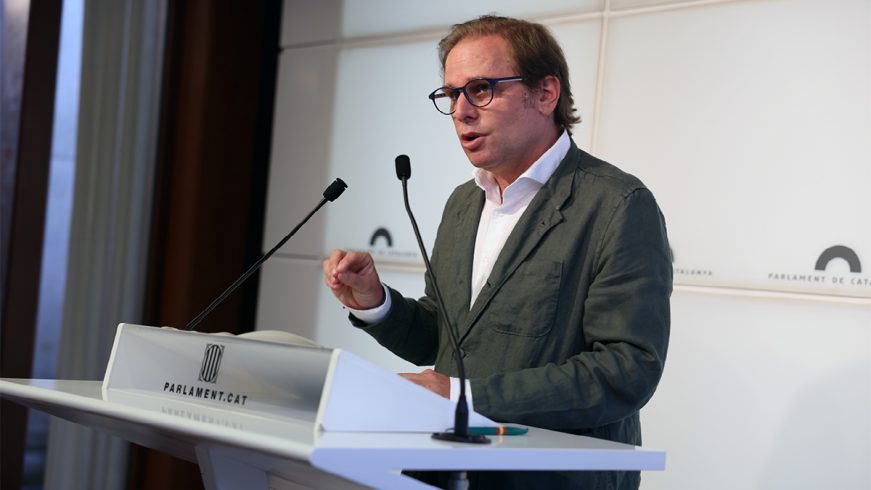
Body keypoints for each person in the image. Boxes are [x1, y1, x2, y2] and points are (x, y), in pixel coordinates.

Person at [323, 15, 671, 490]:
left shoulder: (617, 204)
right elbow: (447, 340)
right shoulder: (464, 203)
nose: (462, 111)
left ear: (546, 93)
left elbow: (625, 370)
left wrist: (462, 396)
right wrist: (376, 303)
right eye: (451, 94)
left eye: (482, 89)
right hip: (445, 470)